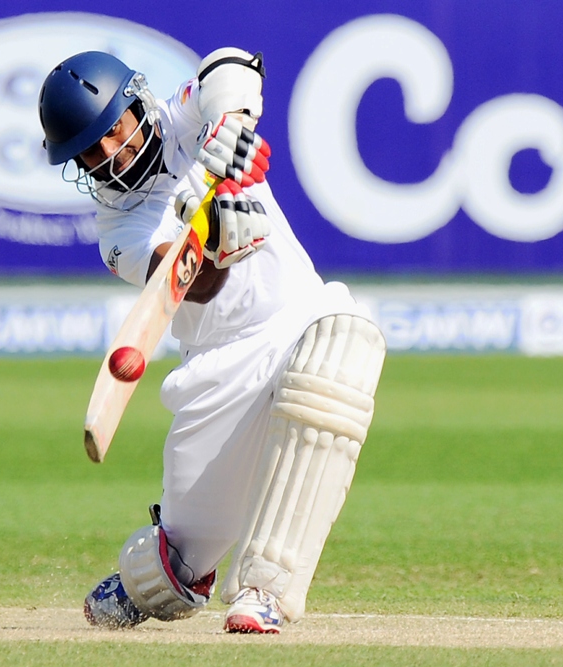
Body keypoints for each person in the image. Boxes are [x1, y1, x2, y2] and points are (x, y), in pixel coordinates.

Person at [38, 49, 387, 634]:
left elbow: (231, 66)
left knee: (344, 343)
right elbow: (193, 283)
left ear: (135, 105)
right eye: (89, 154)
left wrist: (230, 129)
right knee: (177, 567)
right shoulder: (118, 234)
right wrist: (219, 231)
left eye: (112, 133)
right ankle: (148, 579)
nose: (109, 156)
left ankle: (262, 591)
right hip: (218, 371)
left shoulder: (179, 121)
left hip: (299, 316)